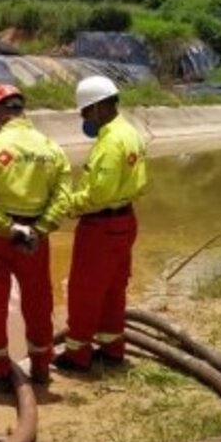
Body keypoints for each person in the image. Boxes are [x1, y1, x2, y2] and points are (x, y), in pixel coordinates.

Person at [0, 83, 71, 389]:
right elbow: (62, 197)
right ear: (21, 110)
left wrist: (8, 228)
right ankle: (40, 367)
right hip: (37, 236)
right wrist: (38, 229)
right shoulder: (51, 148)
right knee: (39, 300)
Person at [52, 75, 147, 371]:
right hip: (125, 220)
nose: (82, 117)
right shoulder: (131, 133)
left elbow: (98, 193)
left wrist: (68, 204)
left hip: (101, 228)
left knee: (84, 290)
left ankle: (78, 355)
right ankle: (112, 349)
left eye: (84, 111)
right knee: (113, 289)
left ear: (97, 108)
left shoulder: (109, 143)